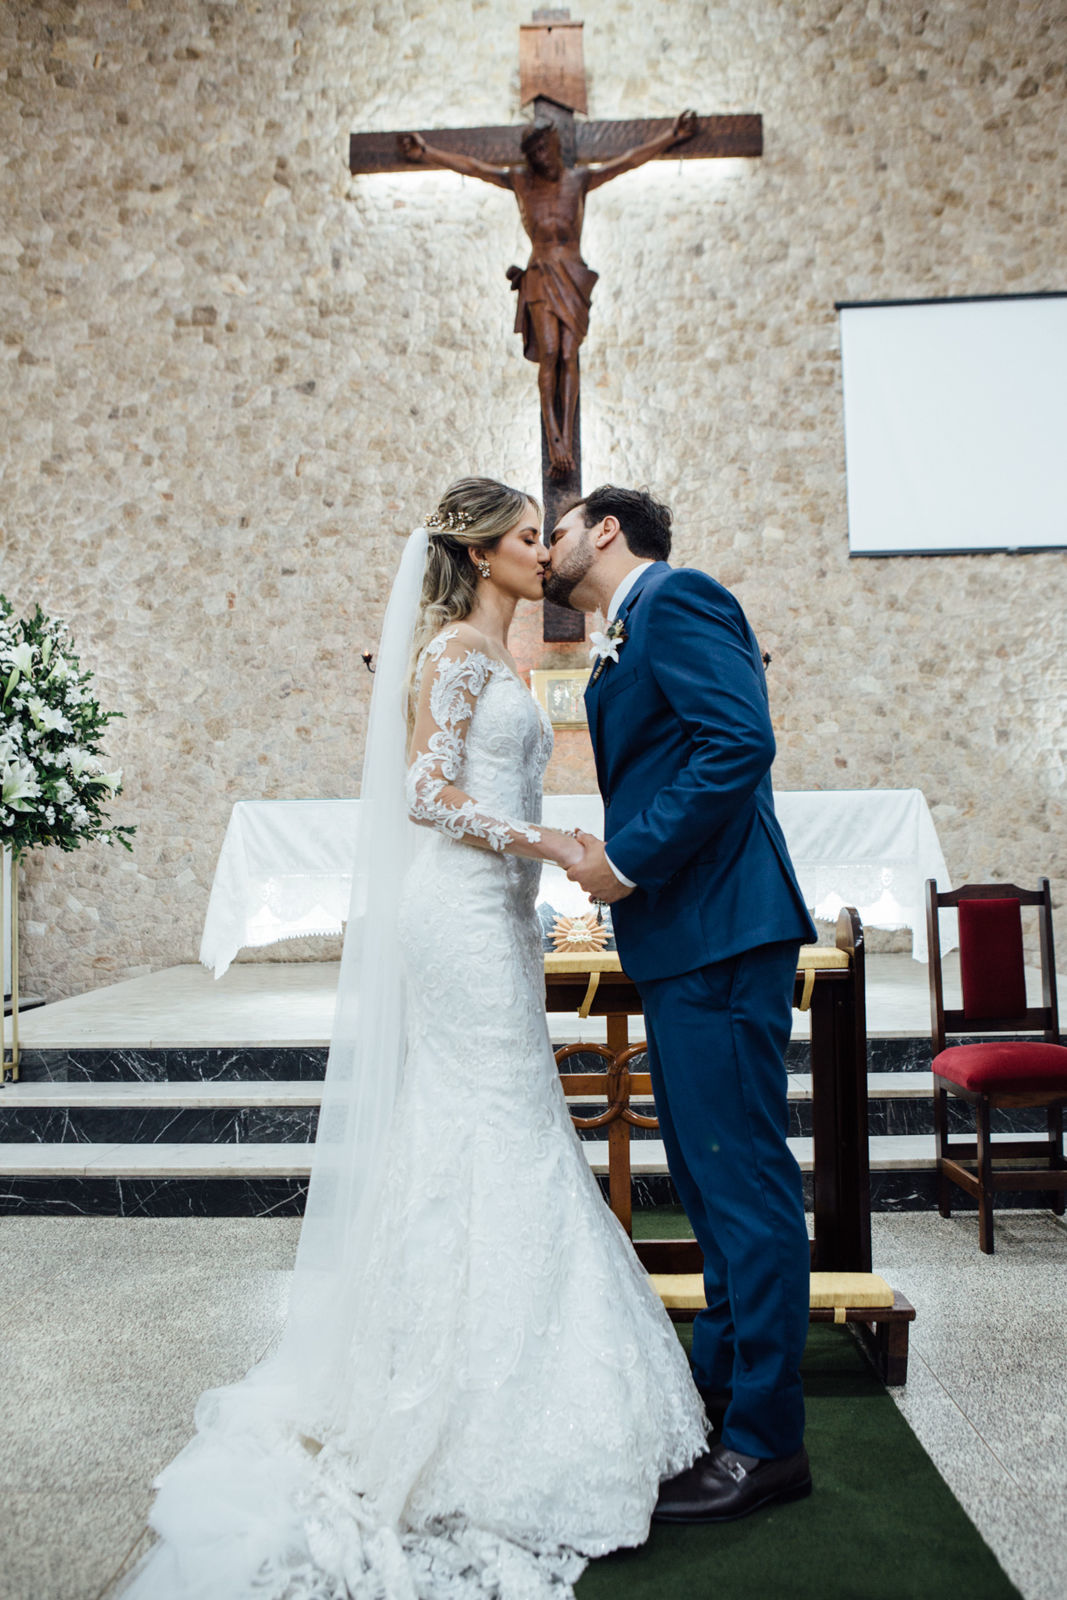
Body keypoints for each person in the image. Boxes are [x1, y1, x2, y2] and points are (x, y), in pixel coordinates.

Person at [117, 478, 705, 1600]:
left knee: (503, 1117)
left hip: (496, 914)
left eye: (547, 535)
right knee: (489, 1120)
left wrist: (537, 871)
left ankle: (508, 1373)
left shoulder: (502, 654)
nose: (545, 552)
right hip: (455, 911)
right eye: (529, 537)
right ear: (482, 554)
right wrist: (543, 840)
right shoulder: (447, 655)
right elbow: (427, 796)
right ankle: (447, 1397)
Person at [543, 484, 818, 1523]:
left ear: (603, 530)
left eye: (558, 527)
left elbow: (736, 744)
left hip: (720, 928)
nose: (551, 544)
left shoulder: (679, 599)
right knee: (706, 1185)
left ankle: (766, 1443)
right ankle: (720, 1389)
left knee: (739, 1181)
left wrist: (625, 856)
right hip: (688, 935)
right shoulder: (628, 631)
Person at [398, 114, 697, 478]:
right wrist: (427, 151)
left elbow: (629, 160)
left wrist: (671, 136)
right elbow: (474, 167)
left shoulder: (580, 180)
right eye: (533, 150)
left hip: (573, 275)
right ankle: (553, 437)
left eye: (544, 146)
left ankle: (566, 439)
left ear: (555, 144)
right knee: (551, 352)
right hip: (539, 273)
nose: (540, 155)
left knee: (570, 354)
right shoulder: (520, 182)